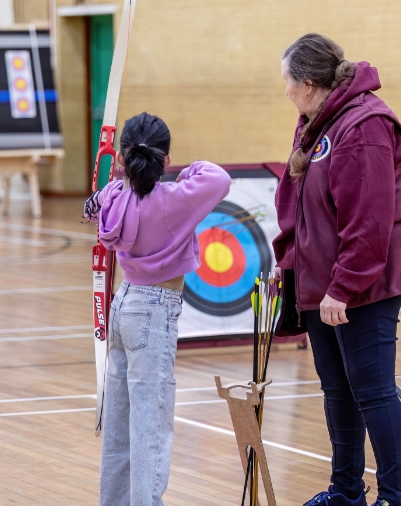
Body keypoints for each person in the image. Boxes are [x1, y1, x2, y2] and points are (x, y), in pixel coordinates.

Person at [271, 34, 401, 506]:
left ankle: (396, 499)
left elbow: (368, 218)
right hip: (323, 283)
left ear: (306, 82)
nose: (284, 92)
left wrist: (343, 287)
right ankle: (346, 492)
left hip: (365, 284)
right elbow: (301, 204)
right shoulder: (317, 123)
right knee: (338, 390)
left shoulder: (363, 126)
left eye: (286, 82)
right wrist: (291, 263)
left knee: (374, 392)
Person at [84, 112, 231, 506]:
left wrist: (111, 181)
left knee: (118, 426)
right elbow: (218, 178)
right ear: (164, 158)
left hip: (123, 304)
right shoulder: (176, 199)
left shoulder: (114, 197)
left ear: (123, 158)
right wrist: (184, 171)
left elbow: (92, 209)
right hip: (155, 311)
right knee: (150, 425)